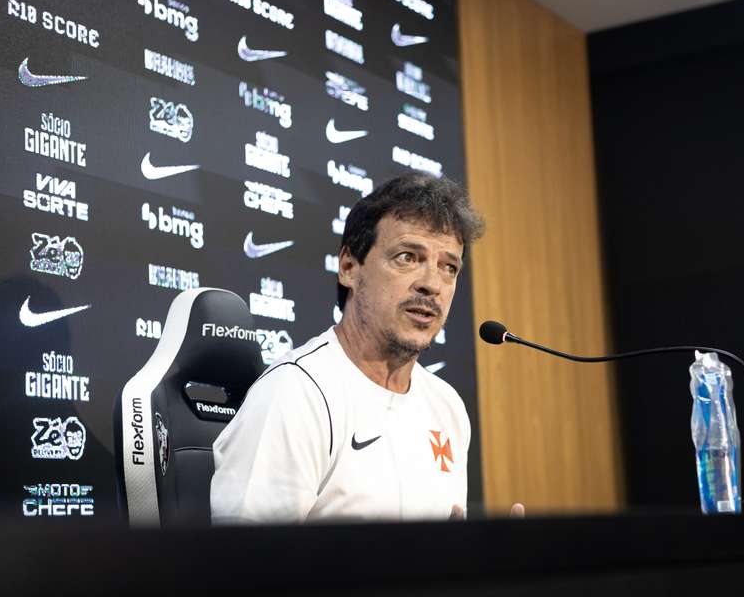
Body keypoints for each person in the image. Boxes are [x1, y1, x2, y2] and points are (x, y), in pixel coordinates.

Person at [211, 172, 520, 523]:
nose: (432, 284)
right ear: (349, 268)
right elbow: (244, 568)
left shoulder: (447, 406)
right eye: (407, 257)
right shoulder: (294, 394)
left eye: (449, 267)